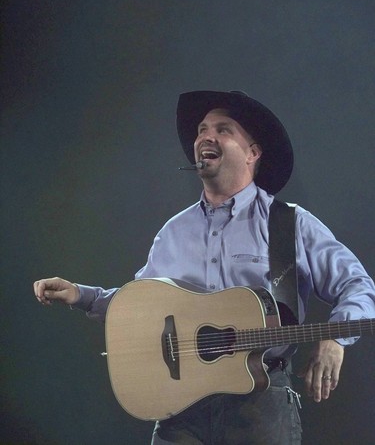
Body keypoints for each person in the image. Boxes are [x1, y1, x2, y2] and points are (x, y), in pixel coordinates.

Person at [34, 90, 375, 445]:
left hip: (260, 408)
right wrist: (80, 295)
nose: (205, 137)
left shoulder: (289, 224)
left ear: (253, 153)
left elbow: (357, 284)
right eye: (201, 129)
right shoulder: (173, 232)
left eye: (223, 129)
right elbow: (138, 306)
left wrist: (335, 337)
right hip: (180, 408)